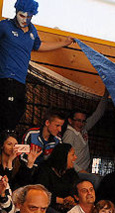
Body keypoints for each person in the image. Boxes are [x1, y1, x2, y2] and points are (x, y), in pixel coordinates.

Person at [0, 0, 73, 131]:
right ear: (16, 12)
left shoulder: (32, 29)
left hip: (21, 81)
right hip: (6, 78)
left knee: (19, 112)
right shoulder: (5, 26)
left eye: (29, 16)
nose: (25, 19)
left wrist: (64, 43)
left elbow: (39, 45)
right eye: (22, 15)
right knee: (6, 117)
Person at [62, 92, 110, 187]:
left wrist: (105, 94)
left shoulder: (83, 130)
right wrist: (81, 170)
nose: (81, 123)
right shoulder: (69, 134)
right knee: (95, 180)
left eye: (83, 121)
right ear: (70, 120)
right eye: (78, 120)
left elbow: (98, 114)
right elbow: (66, 156)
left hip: (83, 171)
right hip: (74, 172)